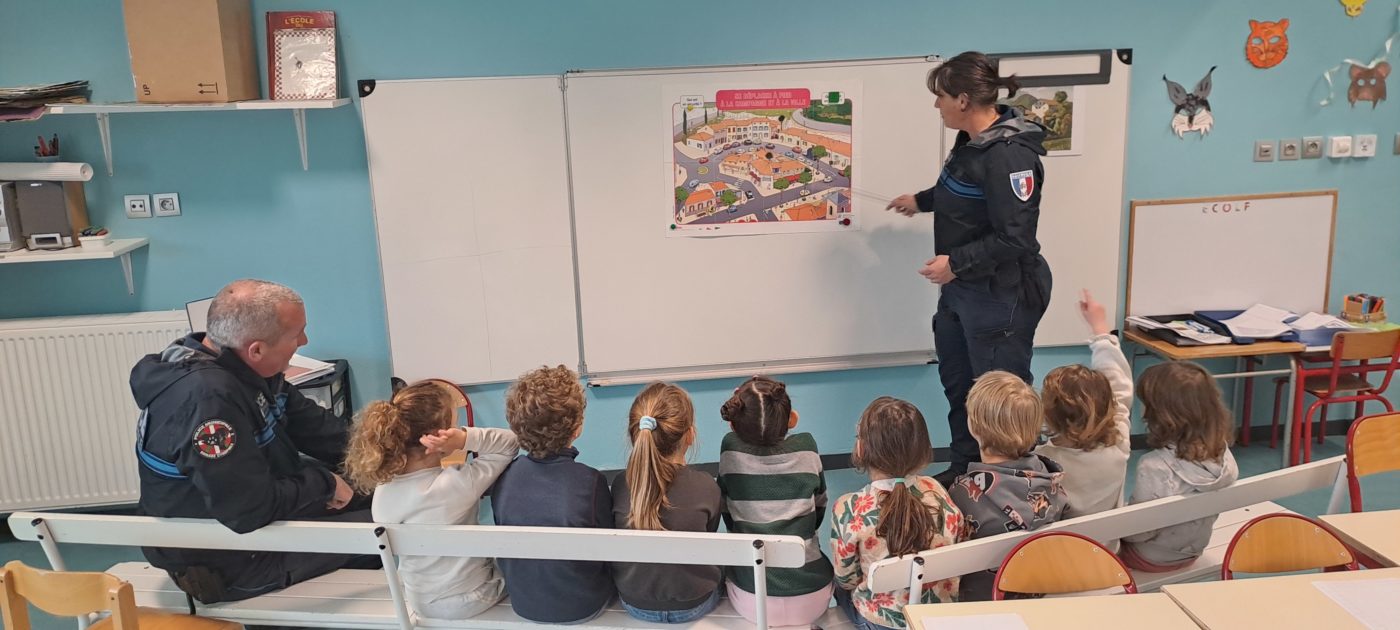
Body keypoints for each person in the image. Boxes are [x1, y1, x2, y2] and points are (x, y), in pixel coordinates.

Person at [130, 278, 376, 604]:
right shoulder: (207, 401)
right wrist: (325, 485)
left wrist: (389, 454)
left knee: (386, 493)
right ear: (256, 349)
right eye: (296, 335)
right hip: (227, 560)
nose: (304, 341)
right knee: (389, 526)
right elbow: (248, 510)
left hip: (254, 518)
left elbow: (318, 430)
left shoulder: (244, 368)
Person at [886, 51, 1053, 485]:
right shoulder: (972, 142)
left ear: (962, 100)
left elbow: (1016, 238)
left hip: (1000, 295)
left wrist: (956, 263)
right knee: (960, 386)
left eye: (940, 97)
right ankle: (965, 472)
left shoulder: (1010, 156)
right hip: (964, 292)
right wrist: (921, 201)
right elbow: (960, 190)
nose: (936, 105)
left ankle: (1010, 487)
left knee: (999, 403)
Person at [345, 380, 519, 620]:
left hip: (419, 599)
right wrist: (464, 439)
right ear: (440, 437)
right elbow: (510, 443)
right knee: (520, 566)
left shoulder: (384, 490)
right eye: (455, 427)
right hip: (469, 599)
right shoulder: (455, 484)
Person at [489, 365, 615, 624]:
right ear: (577, 428)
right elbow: (609, 548)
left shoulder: (504, 477)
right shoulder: (591, 482)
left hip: (523, 603)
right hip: (583, 605)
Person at [832, 397, 963, 630]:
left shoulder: (849, 508)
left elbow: (847, 579)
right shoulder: (937, 491)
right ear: (923, 451)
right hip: (936, 617)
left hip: (880, 621)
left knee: (835, 583)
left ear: (861, 449)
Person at [717, 376, 834, 628]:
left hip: (751, 599)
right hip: (812, 597)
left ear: (733, 424)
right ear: (792, 419)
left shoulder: (730, 449)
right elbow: (820, 506)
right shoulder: (807, 447)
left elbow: (728, 512)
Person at [946, 372, 1067, 601]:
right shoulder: (1052, 480)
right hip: (1039, 592)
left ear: (974, 427)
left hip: (982, 601)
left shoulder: (962, 492)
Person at [611, 382, 724, 624]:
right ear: (690, 435)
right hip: (694, 604)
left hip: (635, 604)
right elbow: (709, 532)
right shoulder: (706, 486)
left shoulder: (621, 484)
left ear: (635, 435)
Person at [1119, 361, 1239, 572]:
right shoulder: (1222, 453)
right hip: (1191, 552)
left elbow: (1141, 531)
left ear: (1159, 413)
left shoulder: (1153, 466)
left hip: (1150, 557)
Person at [1034, 291, 1133, 525]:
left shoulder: (1042, 462)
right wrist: (1100, 329)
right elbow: (1118, 384)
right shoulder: (1119, 444)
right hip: (1106, 543)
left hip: (1062, 545)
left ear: (1048, 414)